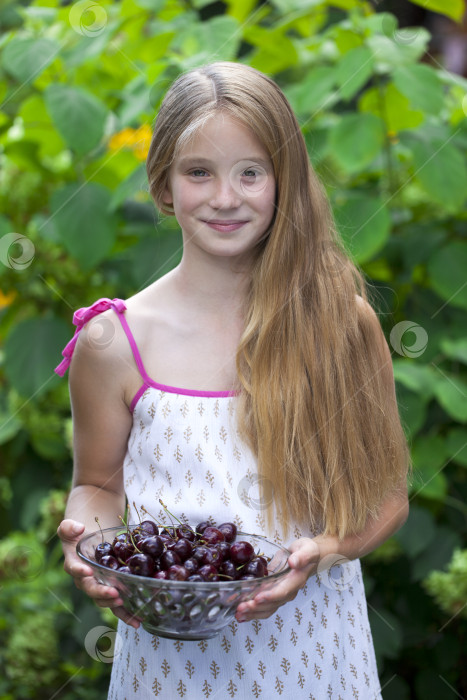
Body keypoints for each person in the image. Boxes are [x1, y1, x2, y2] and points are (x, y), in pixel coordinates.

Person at [56, 61, 410, 699]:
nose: (225, 197)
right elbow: (95, 486)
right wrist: (88, 542)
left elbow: (387, 499)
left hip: (314, 651)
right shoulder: (113, 342)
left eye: (251, 172)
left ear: (285, 182)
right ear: (163, 184)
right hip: (169, 668)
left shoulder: (340, 324)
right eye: (199, 172)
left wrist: (325, 549)